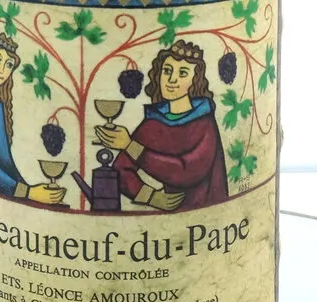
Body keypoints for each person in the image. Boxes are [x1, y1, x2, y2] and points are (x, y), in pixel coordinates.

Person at [95, 39, 228, 210]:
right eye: (167, 71)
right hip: (166, 218)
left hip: (204, 212)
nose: (171, 80)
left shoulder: (203, 122)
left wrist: (130, 146)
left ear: (195, 80)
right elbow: (120, 169)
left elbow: (187, 171)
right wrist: (151, 197)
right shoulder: (154, 122)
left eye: (182, 73)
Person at [0, 30, 64, 204]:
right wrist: (28, 192)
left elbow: (6, 161)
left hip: (4, 189)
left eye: (9, 65)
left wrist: (27, 189)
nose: (2, 70)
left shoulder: (0, 101)